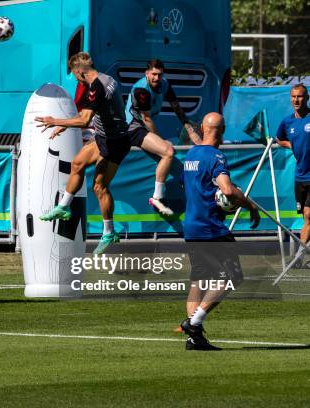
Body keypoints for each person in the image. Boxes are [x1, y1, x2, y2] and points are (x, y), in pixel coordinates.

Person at [36, 52, 130, 255]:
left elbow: (84, 120)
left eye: (74, 74)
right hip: (104, 138)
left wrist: (56, 121)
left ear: (79, 71)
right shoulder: (108, 78)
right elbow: (92, 115)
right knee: (77, 163)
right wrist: (66, 127)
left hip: (115, 143)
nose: (76, 78)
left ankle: (109, 232)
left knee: (99, 186)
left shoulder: (96, 87)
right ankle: (63, 207)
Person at [180, 112, 260, 351]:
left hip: (192, 226)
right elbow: (226, 189)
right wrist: (250, 206)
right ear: (222, 130)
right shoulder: (217, 156)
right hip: (211, 228)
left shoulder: (191, 154)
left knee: (199, 280)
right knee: (233, 278)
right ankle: (193, 323)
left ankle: (194, 340)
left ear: (204, 128)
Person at [125, 59, 201, 216]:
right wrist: (160, 140)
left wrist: (189, 128)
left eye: (159, 75)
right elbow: (146, 119)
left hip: (143, 127)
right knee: (168, 151)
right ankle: (157, 197)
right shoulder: (142, 90)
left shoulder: (165, 84)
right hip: (132, 128)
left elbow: (177, 108)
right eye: (153, 74)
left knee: (171, 147)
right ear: (146, 74)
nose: (156, 78)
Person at [275, 84, 310, 266]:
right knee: (306, 218)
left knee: (309, 216)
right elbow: (279, 138)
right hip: (300, 176)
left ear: (307, 98)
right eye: (294, 96)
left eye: (301, 96)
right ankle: (302, 256)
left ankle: (299, 256)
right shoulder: (287, 122)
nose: (297, 100)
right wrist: (291, 146)